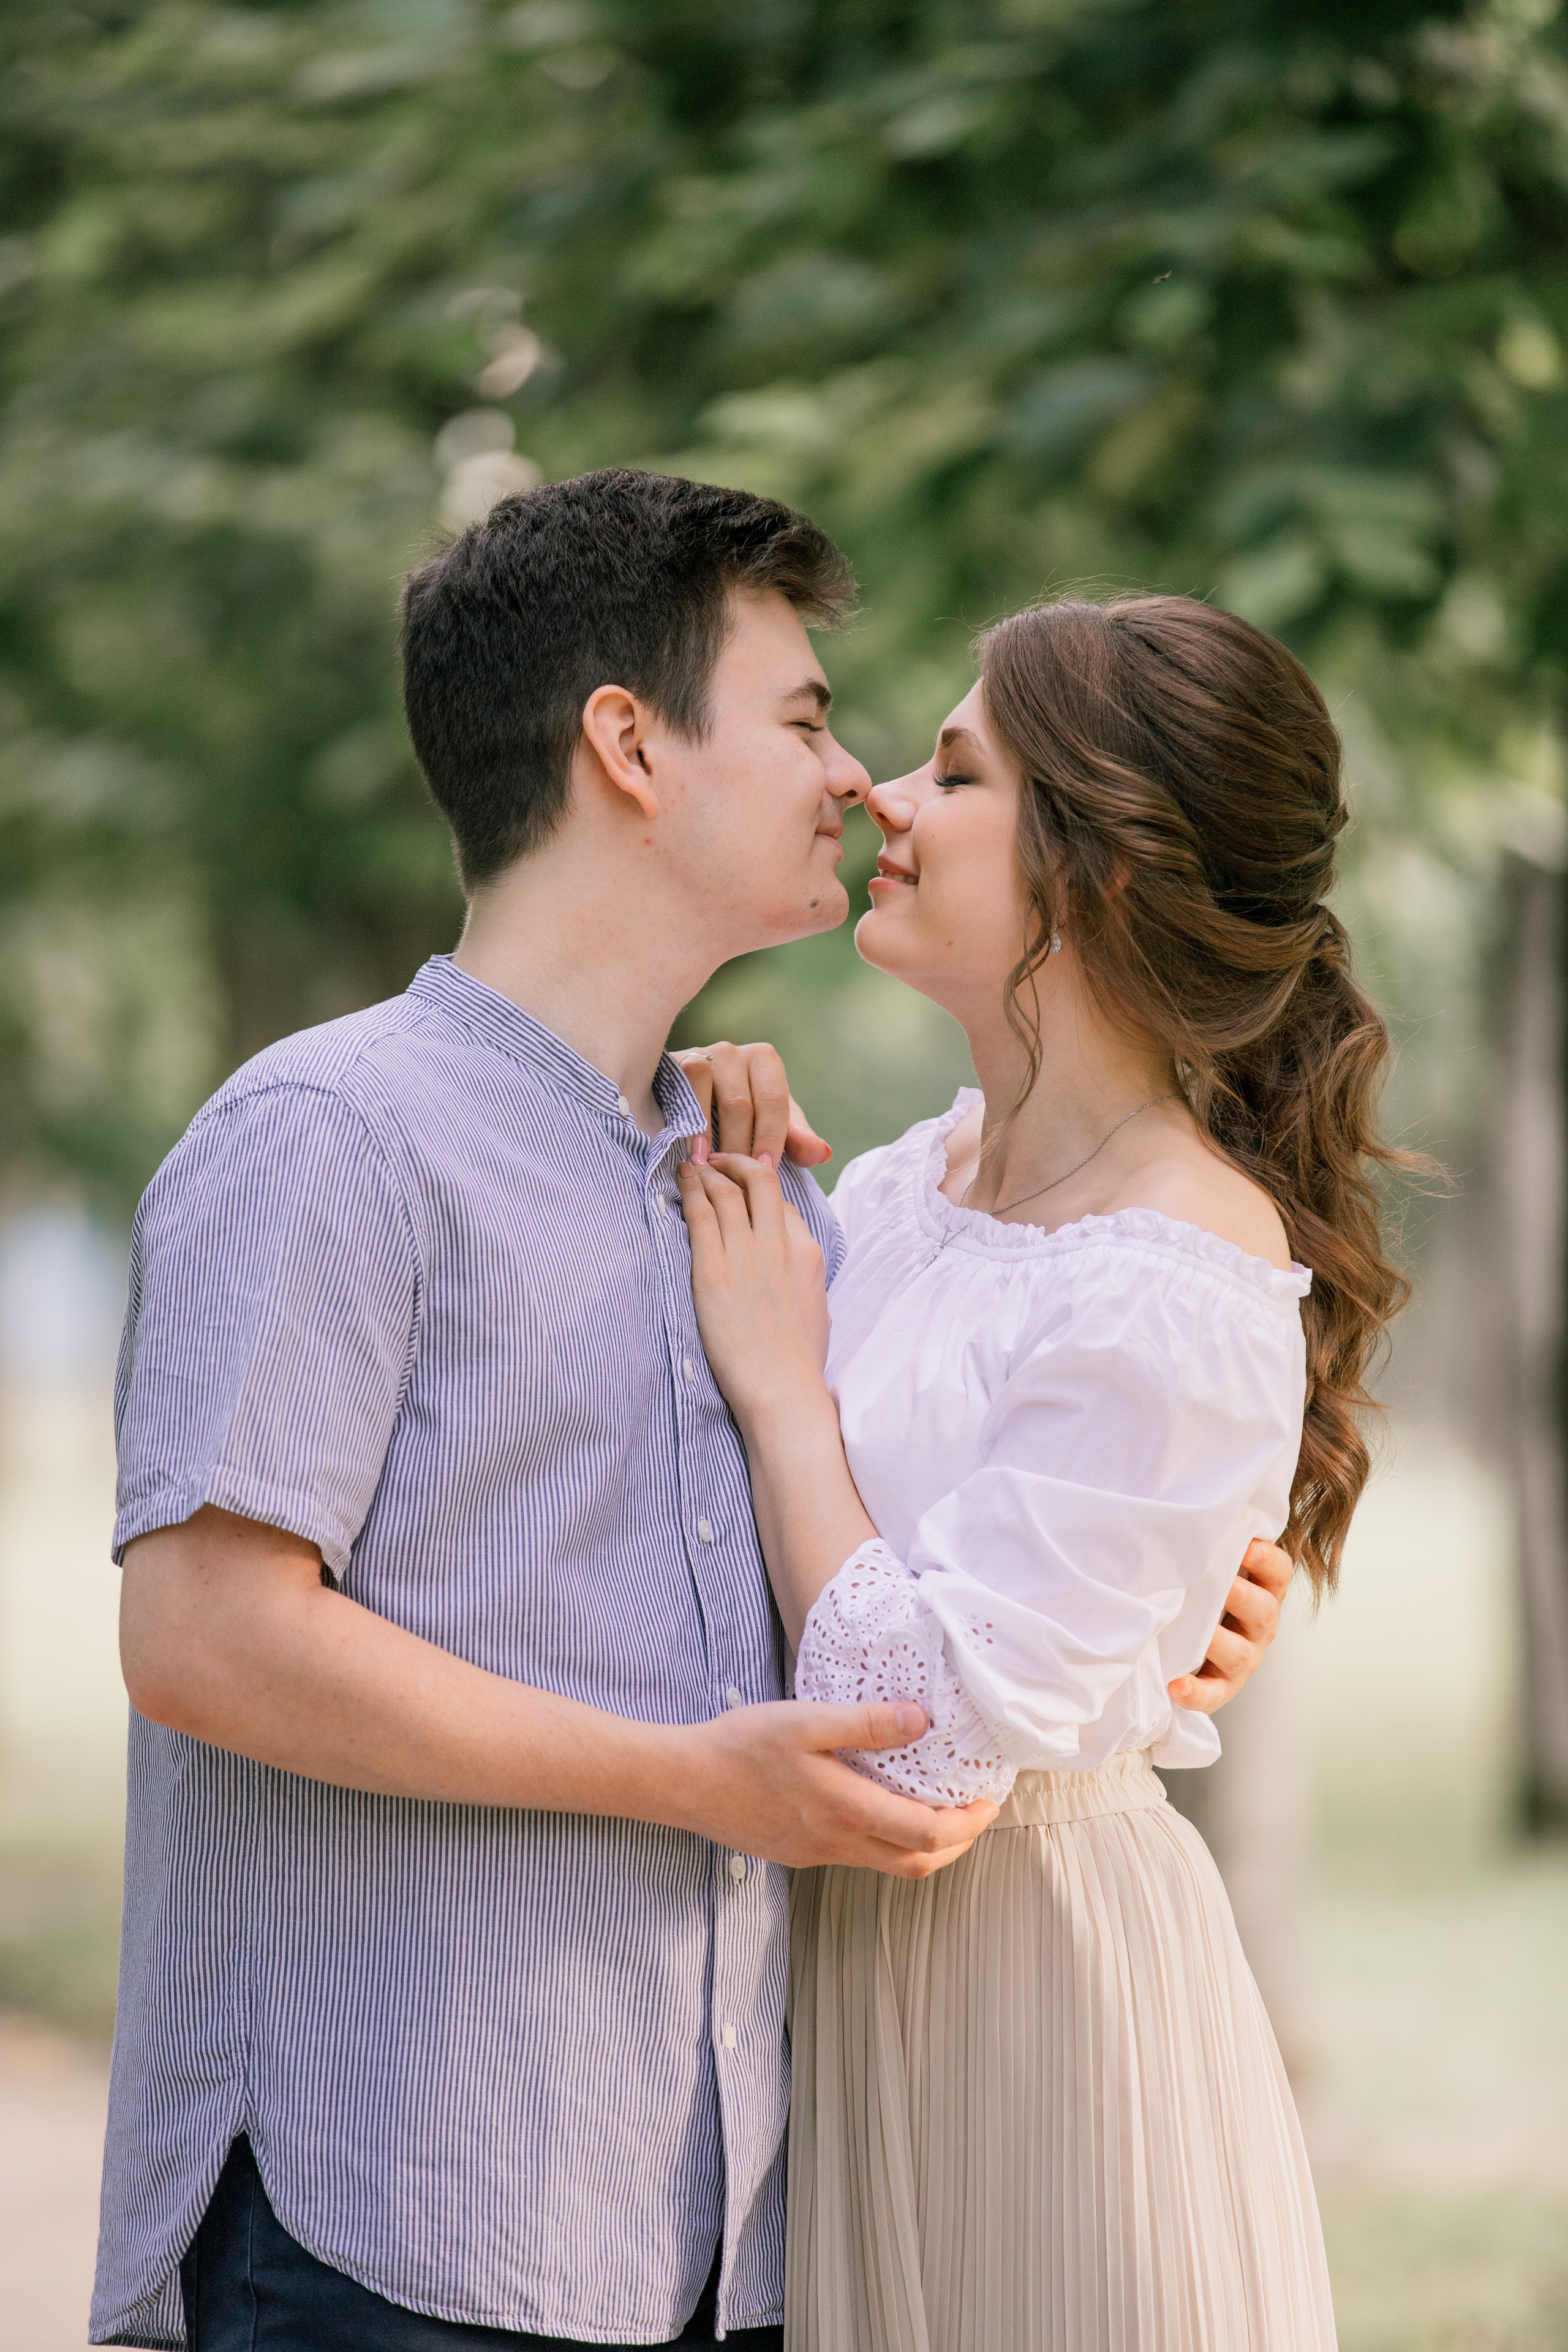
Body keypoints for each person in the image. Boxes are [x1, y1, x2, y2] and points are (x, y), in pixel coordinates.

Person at [96, 477, 1289, 2351]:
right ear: (630, 747)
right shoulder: (333, 1134)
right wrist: (689, 1777)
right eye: (806, 719)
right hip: (397, 2214)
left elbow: (951, 1523)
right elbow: (199, 1637)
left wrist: (1168, 1621)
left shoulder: (748, 1180)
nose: (859, 780)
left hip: (721, 2227)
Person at [678, 594, 1412, 2351]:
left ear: (1100, 870)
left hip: (1043, 2006)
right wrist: (689, 1129)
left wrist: (785, 1394)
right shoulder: (902, 1191)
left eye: (956, 773)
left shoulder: (1177, 1272)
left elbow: (924, 1746)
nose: (884, 797)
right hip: (839, 1993)